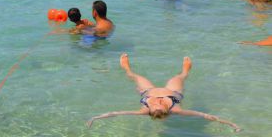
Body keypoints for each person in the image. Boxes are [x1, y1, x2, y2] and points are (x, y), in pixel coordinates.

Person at [87, 54, 241, 132]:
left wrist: (96, 117)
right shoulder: (176, 109)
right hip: (173, 92)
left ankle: (127, 68)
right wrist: (232, 124)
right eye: (160, 105)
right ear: (168, 112)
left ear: (149, 111)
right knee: (180, 77)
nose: (158, 102)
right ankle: (185, 70)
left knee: (135, 76)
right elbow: (205, 116)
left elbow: (118, 113)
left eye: (155, 105)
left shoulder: (144, 110)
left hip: (147, 91)